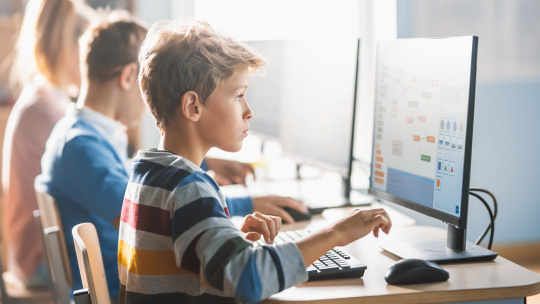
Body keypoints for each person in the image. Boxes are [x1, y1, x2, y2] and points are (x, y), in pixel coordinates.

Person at [117, 18, 392, 303]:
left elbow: (180, 264)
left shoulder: (149, 174)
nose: (249, 111)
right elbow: (247, 280)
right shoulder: (189, 187)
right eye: (238, 96)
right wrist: (336, 233)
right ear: (192, 107)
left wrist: (230, 239)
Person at [34, 10, 148, 300]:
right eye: (150, 86)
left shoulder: (83, 134)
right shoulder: (80, 146)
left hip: (121, 277)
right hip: (118, 288)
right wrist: (241, 203)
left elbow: (132, 182)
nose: (151, 102)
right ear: (128, 77)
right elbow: (144, 216)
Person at [2, 0, 95, 288]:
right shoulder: (46, 111)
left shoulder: (44, 99)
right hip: (39, 261)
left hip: (32, 254)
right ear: (71, 48)